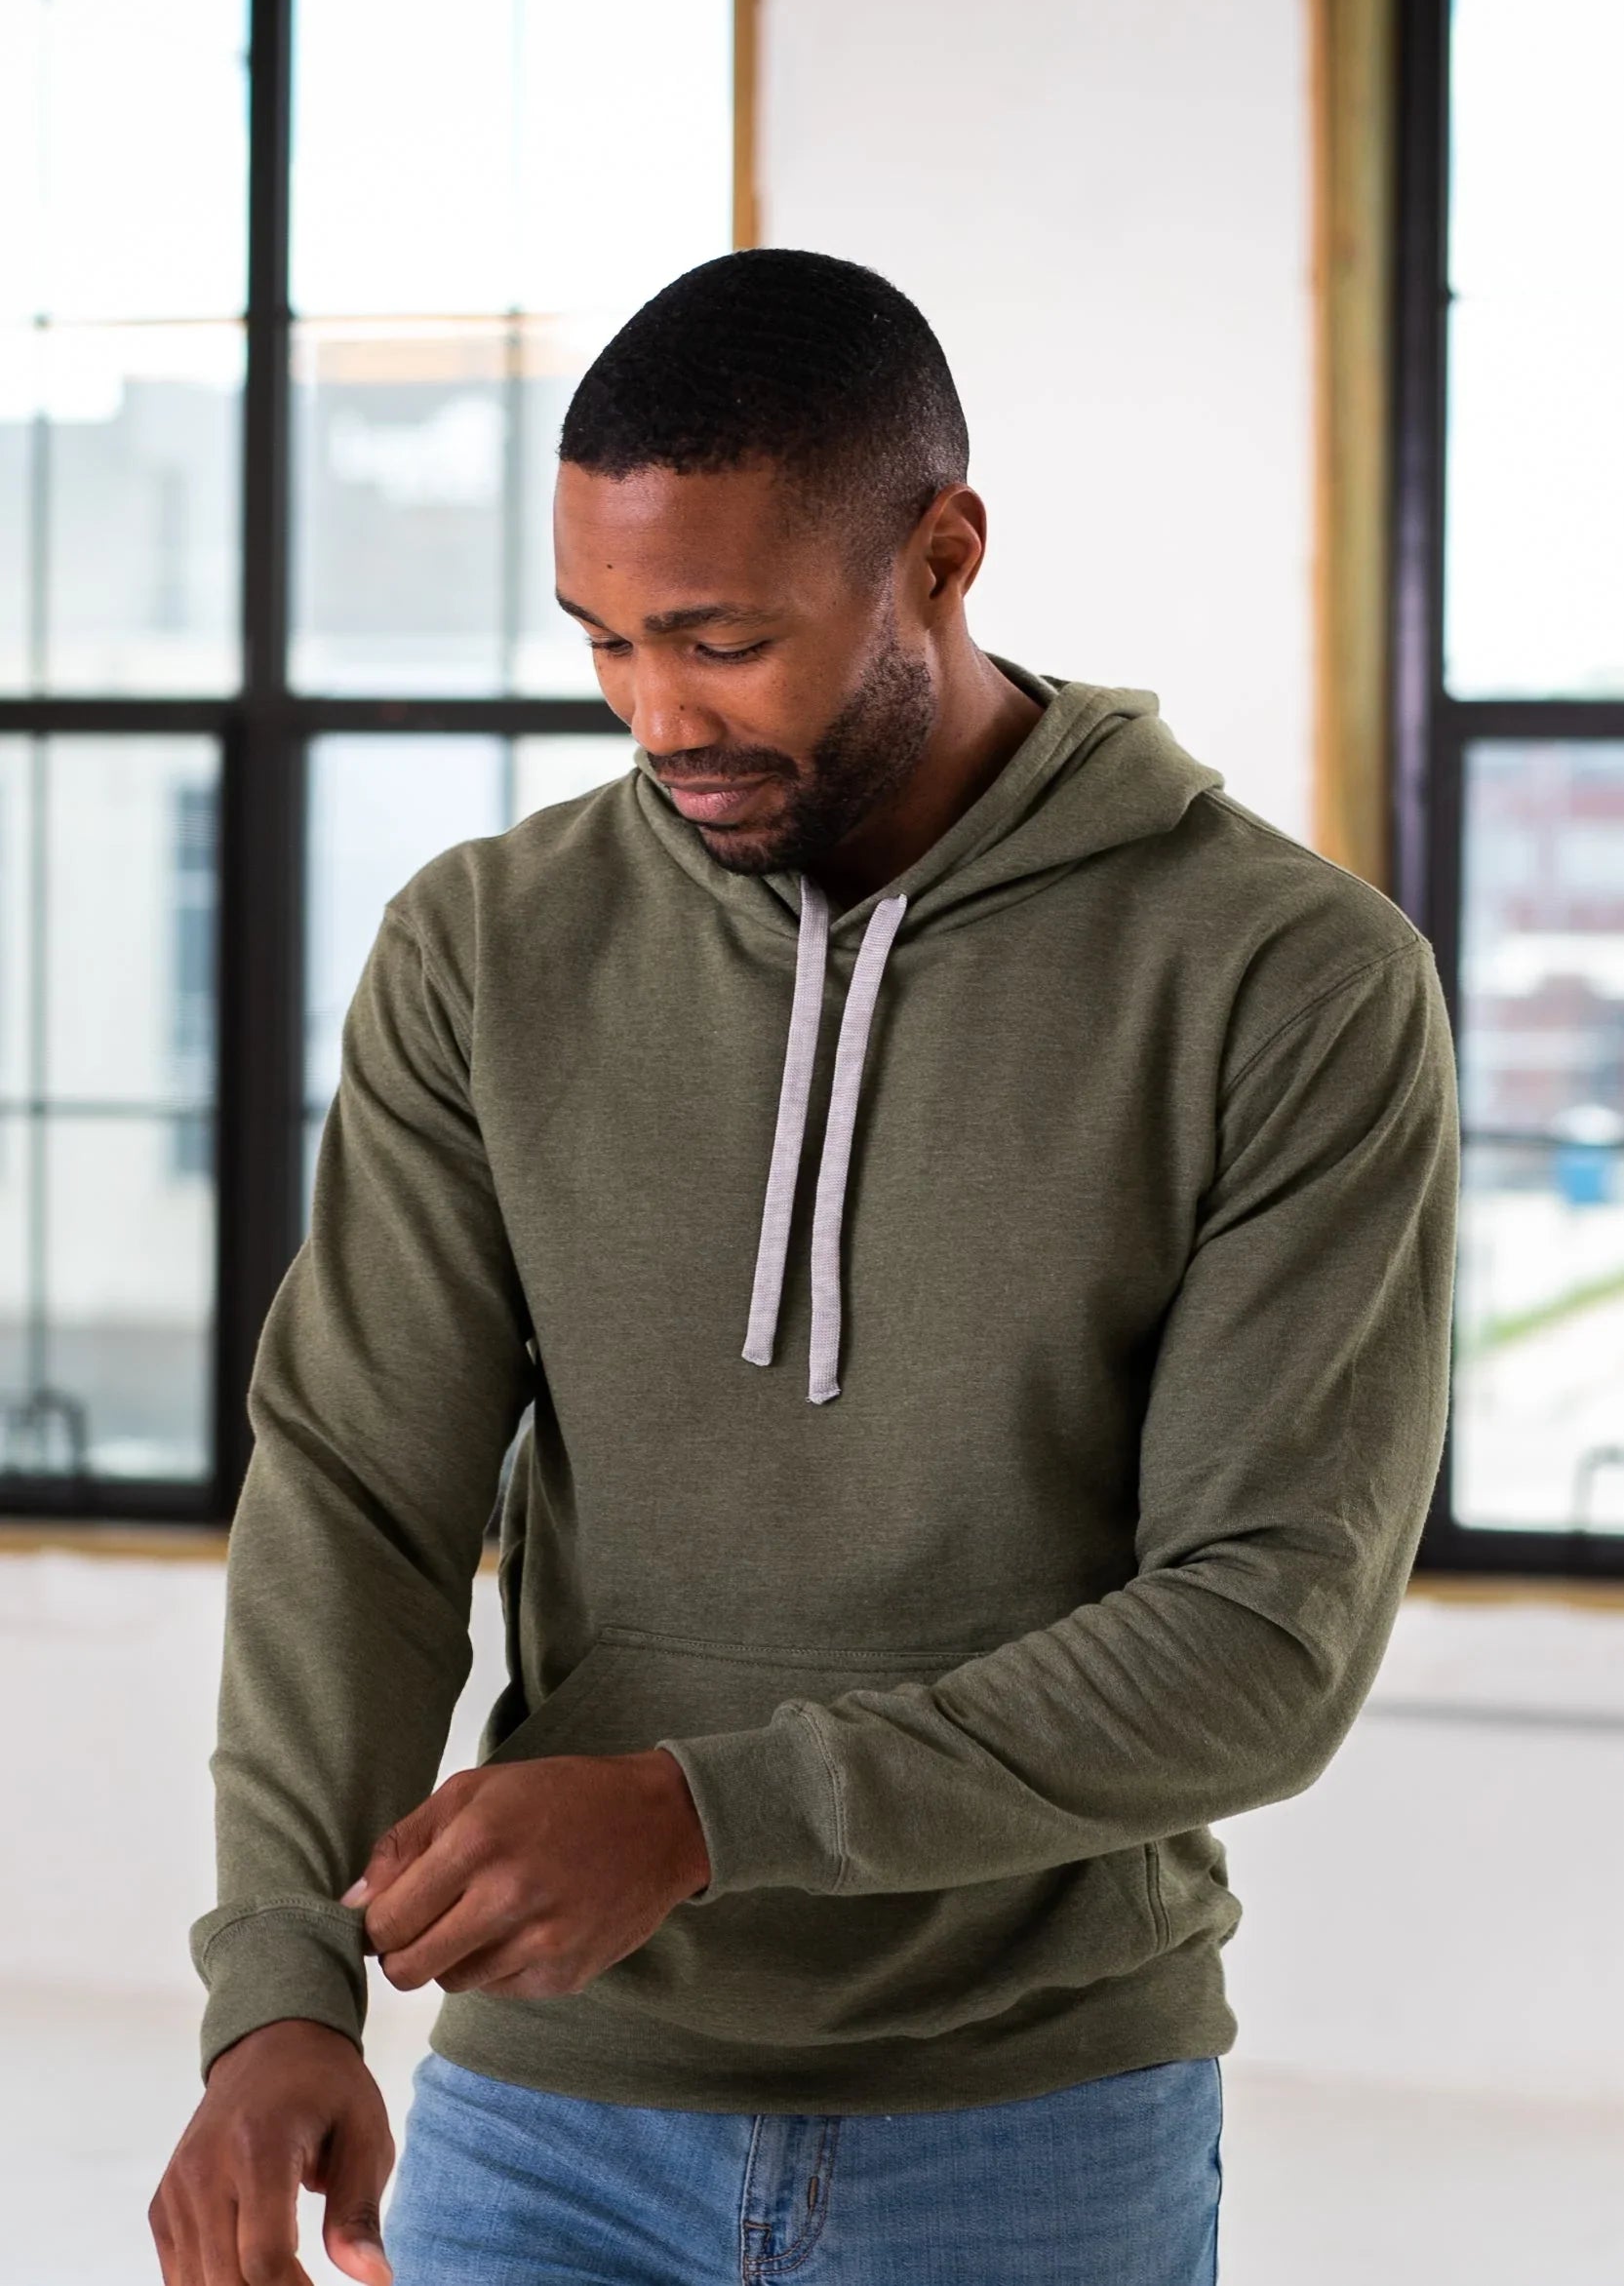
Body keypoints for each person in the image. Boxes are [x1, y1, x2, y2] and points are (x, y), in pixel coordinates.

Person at [150, 249, 1459, 2286]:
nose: (658, 717)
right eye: (601, 646)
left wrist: (698, 1814)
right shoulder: (486, 950)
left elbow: (1265, 1626)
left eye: (720, 640)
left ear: (940, 554)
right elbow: (359, 1498)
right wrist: (281, 1981)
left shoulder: (1279, 980)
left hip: (1034, 2118)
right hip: (546, 2112)